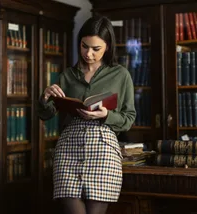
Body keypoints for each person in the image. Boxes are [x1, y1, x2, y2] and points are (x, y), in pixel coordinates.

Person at [37, 15, 136, 214]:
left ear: (107, 47)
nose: (88, 53)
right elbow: (46, 115)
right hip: (68, 149)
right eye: (84, 46)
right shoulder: (67, 75)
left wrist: (105, 115)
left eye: (95, 49)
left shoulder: (120, 75)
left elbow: (129, 118)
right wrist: (45, 97)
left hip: (103, 149)